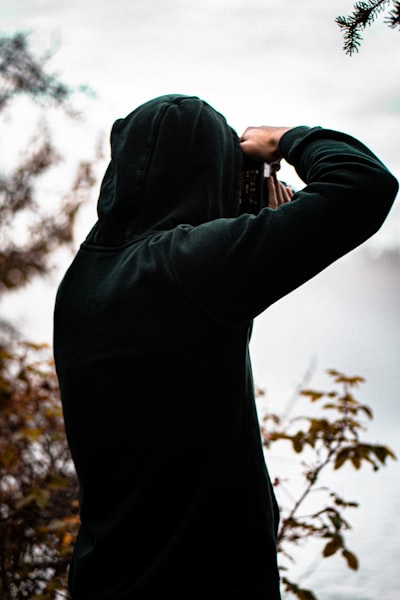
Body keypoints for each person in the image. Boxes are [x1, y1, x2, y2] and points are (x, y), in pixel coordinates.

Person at [53, 94, 398, 600]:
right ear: (209, 175)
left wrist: (243, 219)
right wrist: (282, 139)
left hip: (108, 578)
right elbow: (363, 184)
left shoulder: (86, 276)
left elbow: (183, 332)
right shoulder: (186, 269)